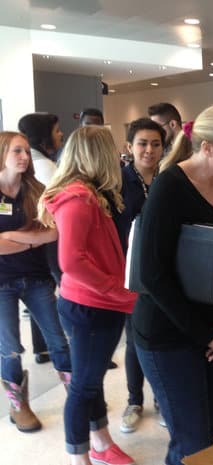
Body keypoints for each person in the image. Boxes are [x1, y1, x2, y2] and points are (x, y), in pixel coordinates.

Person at [132, 103, 213, 465]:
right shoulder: (169, 187)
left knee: (205, 430)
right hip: (168, 334)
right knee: (196, 440)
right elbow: (153, 274)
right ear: (207, 148)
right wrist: (204, 334)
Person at [39, 126, 137, 465]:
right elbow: (71, 262)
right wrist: (117, 291)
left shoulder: (88, 194)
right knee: (83, 386)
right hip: (92, 306)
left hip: (94, 304)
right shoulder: (79, 198)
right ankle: (79, 456)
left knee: (89, 380)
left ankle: (101, 442)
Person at [0, 131, 71, 433]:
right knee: (10, 348)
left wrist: (13, 238)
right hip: (2, 282)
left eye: (26, 151)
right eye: (17, 151)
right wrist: (32, 238)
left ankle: (77, 394)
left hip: (38, 278)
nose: (24, 157)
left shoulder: (37, 190)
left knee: (58, 340)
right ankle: (19, 405)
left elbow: (53, 232)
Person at [117, 118, 165, 434]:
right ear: (130, 147)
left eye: (155, 144)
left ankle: (162, 397)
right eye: (142, 143)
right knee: (135, 341)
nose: (149, 150)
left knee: (164, 337)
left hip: (166, 274)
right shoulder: (118, 182)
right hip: (130, 275)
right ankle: (135, 399)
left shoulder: (170, 179)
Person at [17, 112, 64, 363]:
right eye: (56, 131)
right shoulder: (44, 167)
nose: (60, 135)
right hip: (47, 242)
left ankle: (42, 348)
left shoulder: (36, 165)